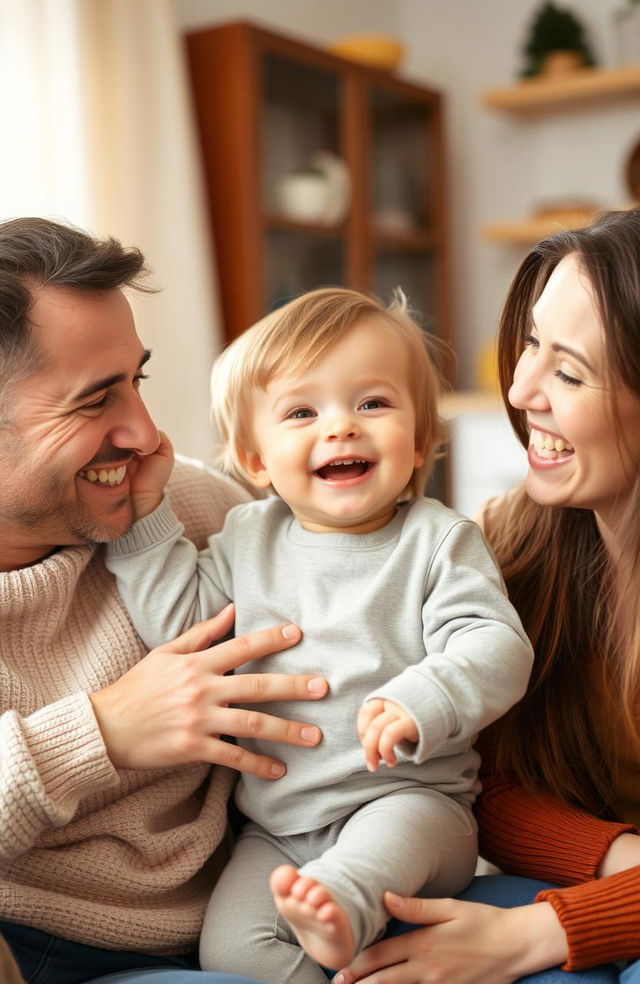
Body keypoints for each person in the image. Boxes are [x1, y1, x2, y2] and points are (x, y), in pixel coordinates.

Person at [105, 286, 534, 983]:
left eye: (373, 403)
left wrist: (423, 697)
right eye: (303, 412)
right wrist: (146, 517)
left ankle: (343, 902)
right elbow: (185, 626)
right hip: (279, 830)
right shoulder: (247, 538)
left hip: (413, 807)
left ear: (421, 437)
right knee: (232, 950)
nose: (341, 428)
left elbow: (494, 646)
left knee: (362, 865)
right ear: (254, 459)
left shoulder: (436, 541)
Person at [0, 216, 332, 984]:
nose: (146, 434)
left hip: (249, 920)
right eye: (94, 402)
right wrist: (106, 731)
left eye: (137, 382)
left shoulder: (190, 507)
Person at [333, 207, 640, 984]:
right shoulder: (512, 538)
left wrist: (538, 935)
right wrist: (616, 856)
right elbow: (485, 780)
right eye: (532, 342)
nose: (520, 386)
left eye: (569, 372)